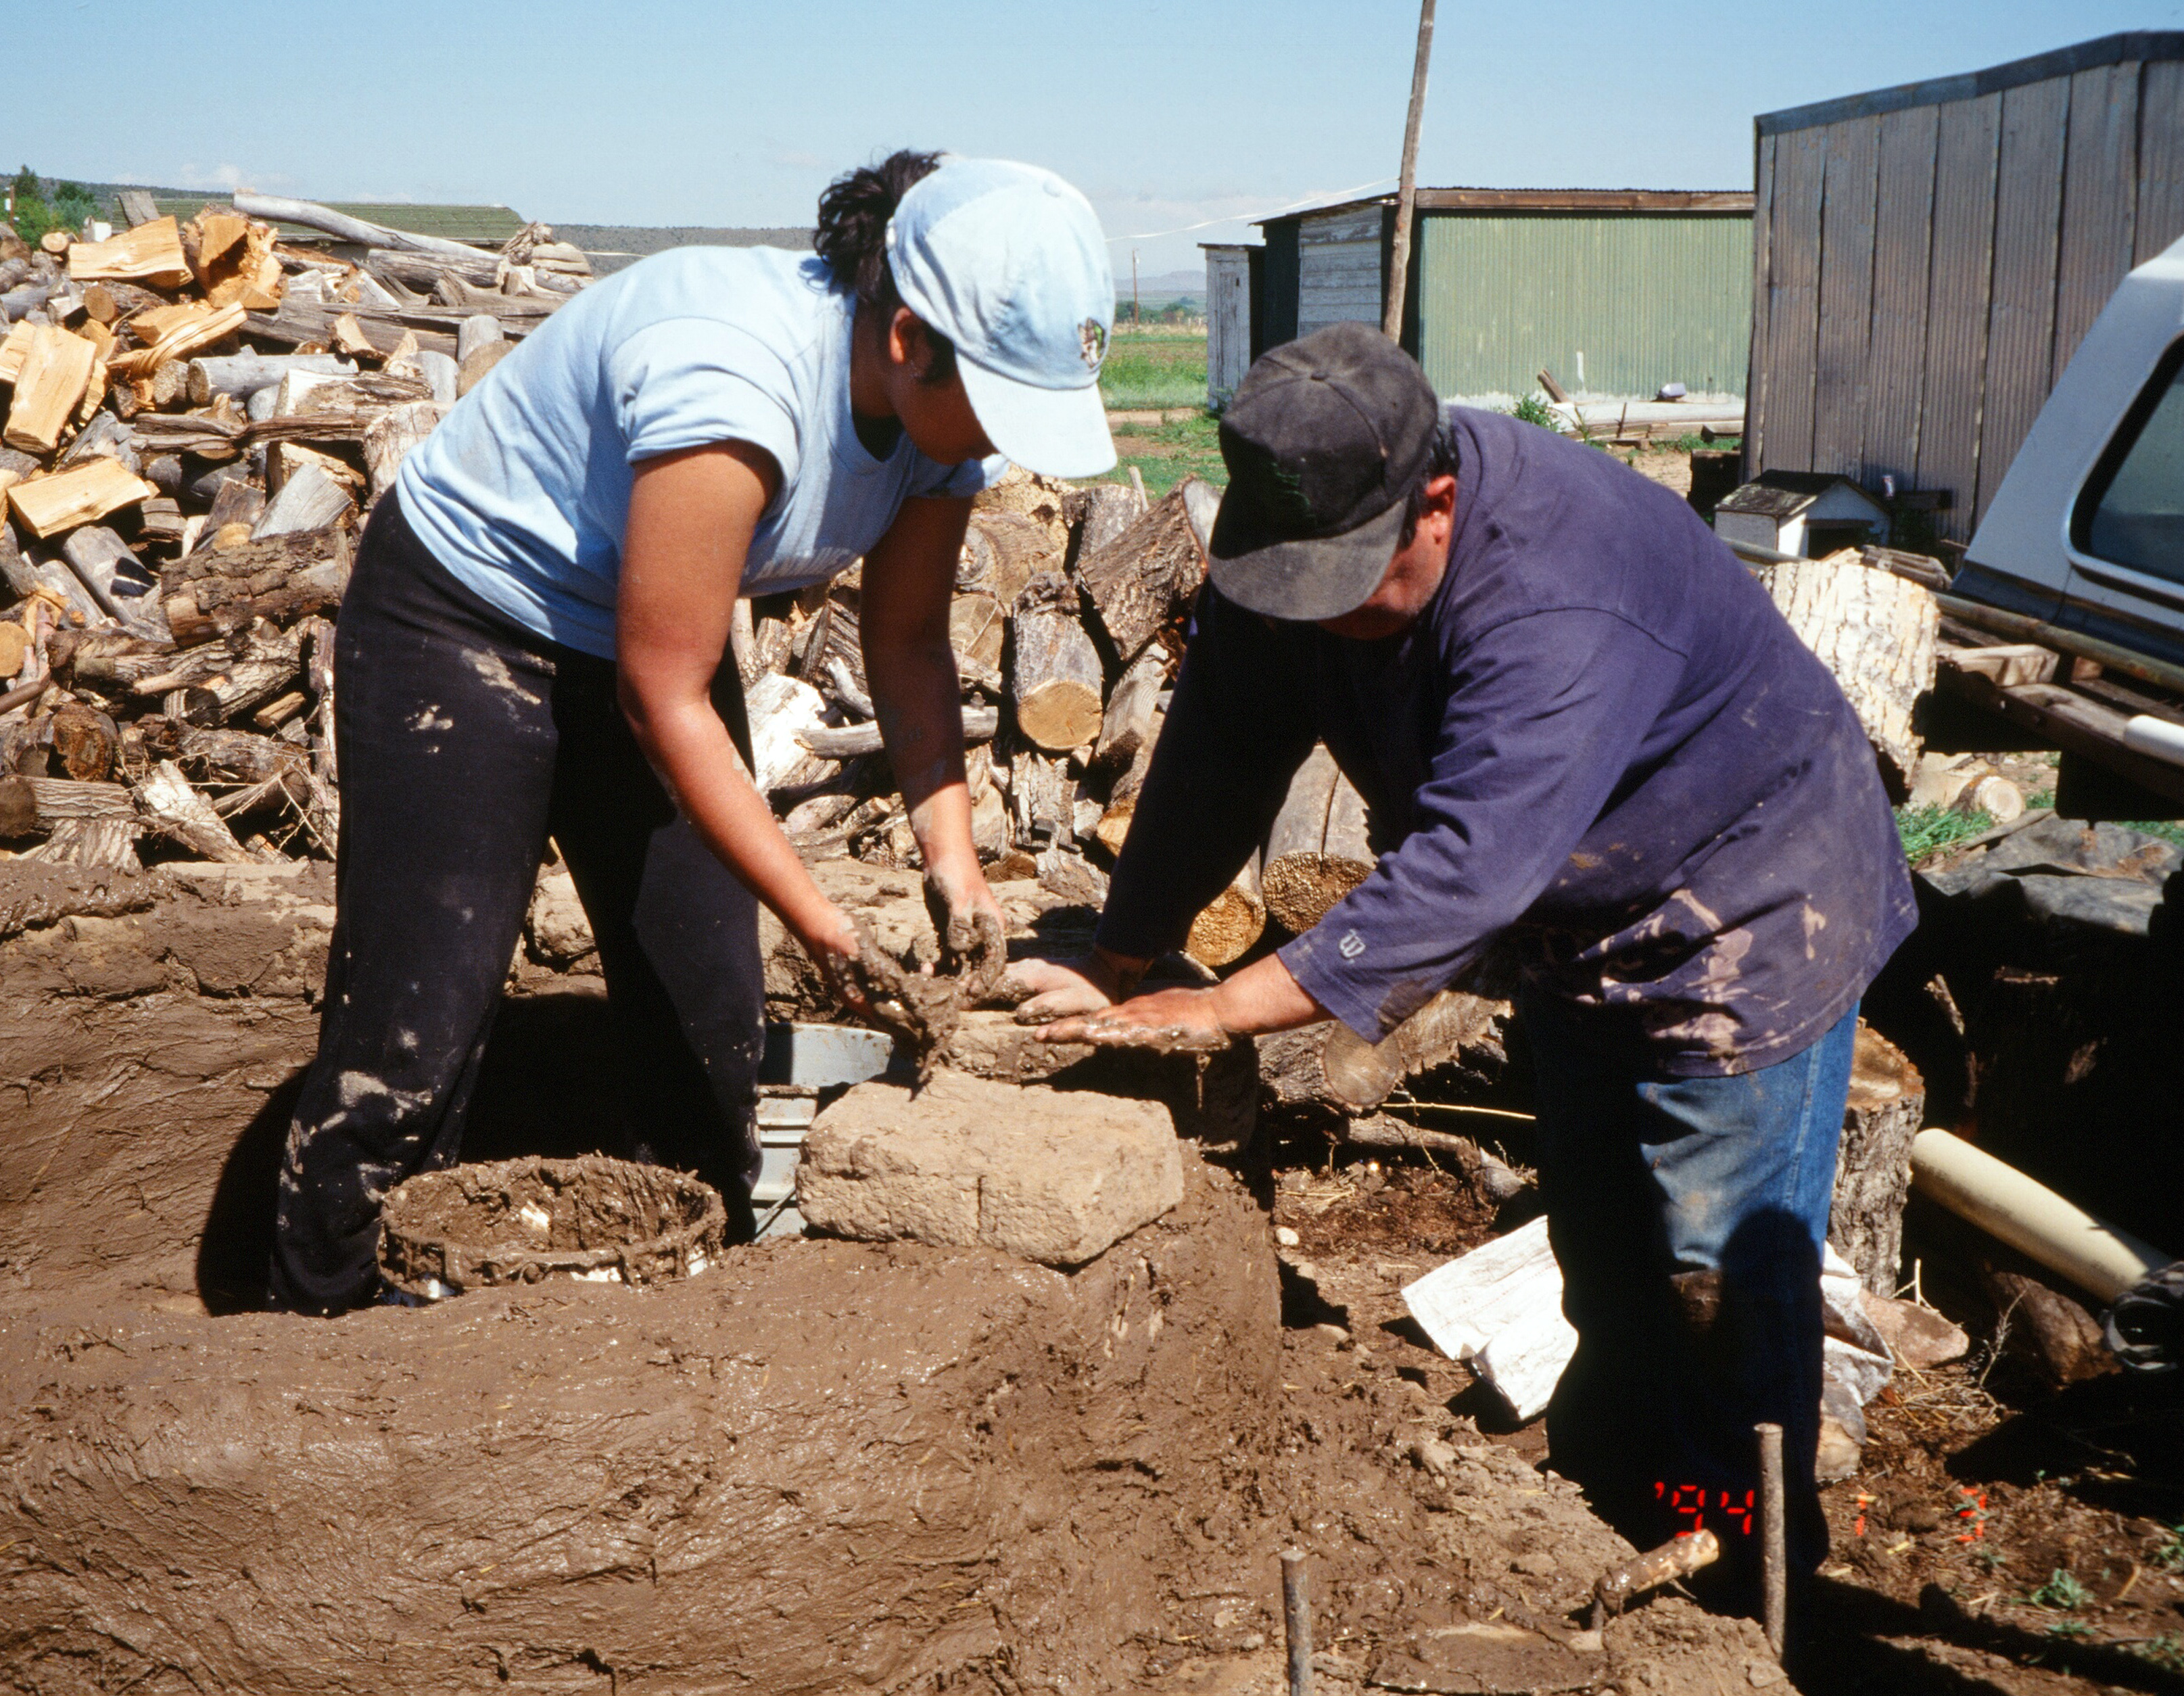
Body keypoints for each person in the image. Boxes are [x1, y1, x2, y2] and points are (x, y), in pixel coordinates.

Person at [1018, 323, 1916, 1588]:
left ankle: (1743, 1581)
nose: (1318, 617)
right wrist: (1124, 953)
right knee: (1606, 1256)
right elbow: (1220, 743)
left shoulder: (1557, 588)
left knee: (1717, 1274)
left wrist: (1219, 1009)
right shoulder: (1292, 544)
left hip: (1751, 893)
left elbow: (1466, 869)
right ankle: (1611, 1517)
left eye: (1344, 586)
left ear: (1434, 502)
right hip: (1582, 904)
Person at [271, 152, 1118, 1315]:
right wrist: (825, 928)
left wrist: (955, 867)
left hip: (645, 641)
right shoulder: (733, 380)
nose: (1001, 439)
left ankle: (677, 1332)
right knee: (416, 1030)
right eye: (1000, 399)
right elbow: (663, 696)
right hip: (467, 618)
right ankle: (319, 1326)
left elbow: (910, 641)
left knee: (709, 1020)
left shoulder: (940, 419)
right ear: (908, 337)